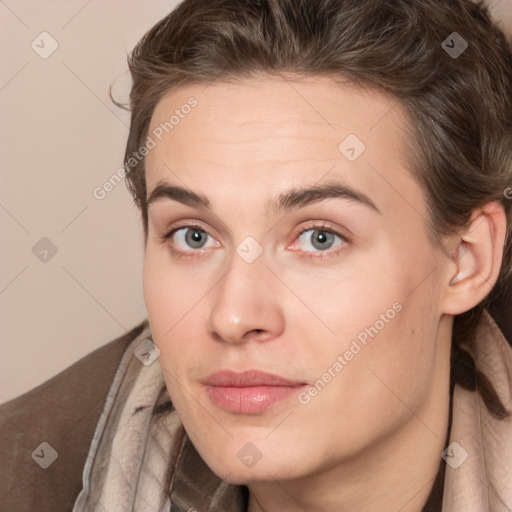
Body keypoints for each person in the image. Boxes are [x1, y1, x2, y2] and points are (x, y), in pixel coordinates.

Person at [2, 0, 512, 510]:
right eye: (193, 236)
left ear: (467, 259)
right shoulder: (23, 480)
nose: (233, 316)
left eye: (319, 237)